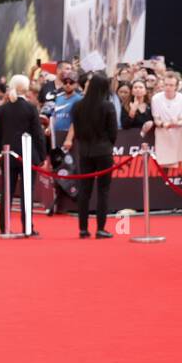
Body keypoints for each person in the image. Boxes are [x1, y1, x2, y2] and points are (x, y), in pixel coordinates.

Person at [63, 70, 118, 238]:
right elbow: (113, 132)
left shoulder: (77, 106)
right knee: (103, 190)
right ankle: (101, 228)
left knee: (84, 191)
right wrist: (107, 145)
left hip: (85, 151)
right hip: (103, 151)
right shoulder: (108, 106)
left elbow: (77, 131)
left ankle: (83, 229)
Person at [0, 73, 47, 233]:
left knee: (6, 192)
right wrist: (42, 156)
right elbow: (38, 134)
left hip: (7, 154)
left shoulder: (3, 109)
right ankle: (27, 227)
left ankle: (4, 226)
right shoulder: (30, 108)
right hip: (27, 154)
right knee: (27, 192)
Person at [151, 70, 182, 170]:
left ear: (176, 86)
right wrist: (164, 124)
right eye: (166, 85)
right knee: (162, 132)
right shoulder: (156, 98)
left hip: (178, 128)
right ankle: (168, 162)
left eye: (171, 85)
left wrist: (176, 123)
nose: (168, 87)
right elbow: (156, 119)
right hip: (163, 129)